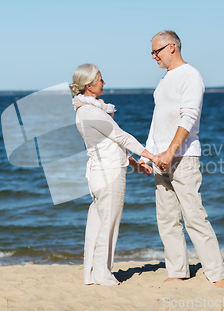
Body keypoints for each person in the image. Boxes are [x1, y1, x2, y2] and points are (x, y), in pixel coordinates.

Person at [138, 31, 224, 288]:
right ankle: (178, 271)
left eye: (157, 51)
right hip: (159, 160)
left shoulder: (191, 76)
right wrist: (147, 154)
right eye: (152, 52)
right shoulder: (164, 81)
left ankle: (217, 274)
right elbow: (157, 123)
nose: (154, 56)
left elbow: (188, 118)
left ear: (172, 47)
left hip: (183, 158)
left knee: (194, 217)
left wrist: (170, 152)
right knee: (167, 219)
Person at [70, 64, 157, 286]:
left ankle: (90, 274)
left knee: (97, 225)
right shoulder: (90, 112)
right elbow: (121, 137)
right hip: (109, 175)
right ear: (89, 86)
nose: (104, 82)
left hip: (99, 174)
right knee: (108, 225)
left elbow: (110, 142)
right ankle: (102, 274)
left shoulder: (87, 110)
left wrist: (135, 164)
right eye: (100, 79)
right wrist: (152, 156)